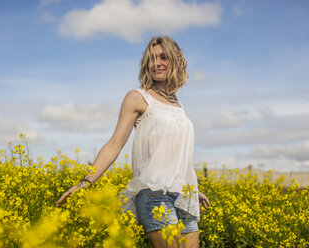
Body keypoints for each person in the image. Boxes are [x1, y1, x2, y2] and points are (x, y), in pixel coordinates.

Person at [56, 36, 210, 248]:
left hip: (185, 196)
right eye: (151, 58)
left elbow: (176, 153)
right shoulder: (137, 97)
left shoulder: (179, 105)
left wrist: (193, 188)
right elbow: (114, 144)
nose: (156, 63)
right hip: (156, 196)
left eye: (163, 57)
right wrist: (85, 182)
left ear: (175, 61)